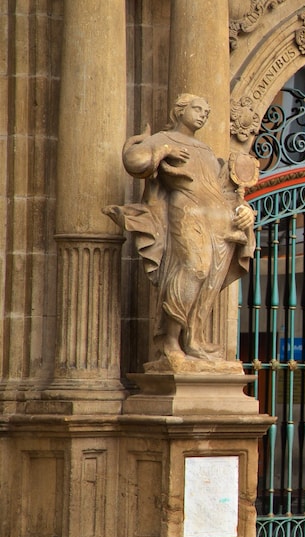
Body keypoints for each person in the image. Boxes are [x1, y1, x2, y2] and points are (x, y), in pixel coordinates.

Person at [104, 94, 256, 363]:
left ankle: (194, 339)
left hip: (219, 224)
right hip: (186, 213)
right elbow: (134, 162)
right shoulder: (163, 139)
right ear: (179, 110)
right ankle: (170, 340)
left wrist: (246, 213)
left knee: (211, 279)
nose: (203, 115)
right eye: (197, 109)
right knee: (193, 269)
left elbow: (226, 191)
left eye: (207, 112)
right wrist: (162, 152)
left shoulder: (207, 150)